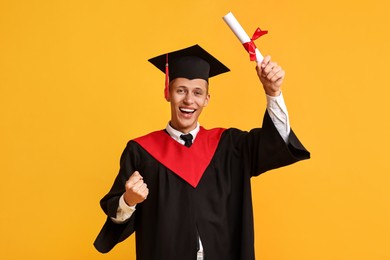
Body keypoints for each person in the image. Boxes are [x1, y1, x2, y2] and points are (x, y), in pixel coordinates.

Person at [94, 44, 310, 260]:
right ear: (167, 93)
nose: (189, 100)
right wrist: (129, 200)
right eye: (181, 90)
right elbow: (116, 216)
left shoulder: (230, 146)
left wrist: (273, 92)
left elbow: (278, 142)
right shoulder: (141, 152)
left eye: (198, 92)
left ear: (207, 99)